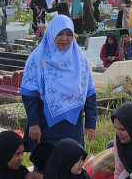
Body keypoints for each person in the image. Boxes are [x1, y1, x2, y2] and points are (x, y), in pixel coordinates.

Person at [20, 15, 97, 152]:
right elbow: (29, 95)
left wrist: (91, 123)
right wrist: (34, 123)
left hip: (73, 126)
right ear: (52, 33)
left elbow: (89, 92)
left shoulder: (80, 59)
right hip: (47, 126)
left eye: (69, 34)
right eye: (60, 34)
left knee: (71, 164)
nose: (64, 39)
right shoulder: (37, 58)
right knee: (46, 167)